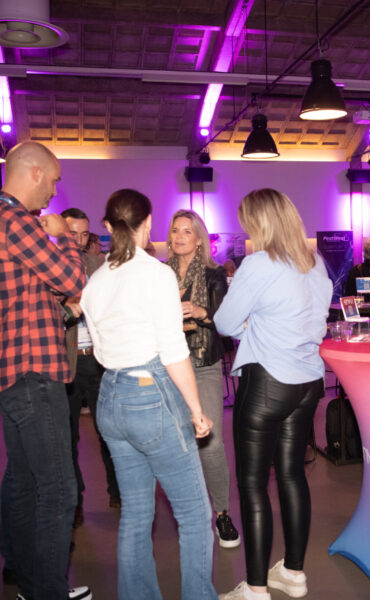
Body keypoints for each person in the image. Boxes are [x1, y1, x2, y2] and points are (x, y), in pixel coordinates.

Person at [80, 189, 217, 600]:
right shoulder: (157, 276)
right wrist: (196, 410)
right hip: (150, 395)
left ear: (108, 226)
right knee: (194, 514)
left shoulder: (96, 280)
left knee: (136, 514)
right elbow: (173, 352)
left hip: (110, 397)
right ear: (149, 223)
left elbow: (99, 346)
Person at [214, 188, 332, 600]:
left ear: (260, 222)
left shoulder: (259, 263)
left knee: (252, 486)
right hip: (308, 383)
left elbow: (225, 322)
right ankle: (294, 573)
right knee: (292, 475)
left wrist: (252, 325)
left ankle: (256, 588)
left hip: (268, 383)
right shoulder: (315, 262)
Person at [0, 141, 90, 600]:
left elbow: (30, 295)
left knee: (23, 480)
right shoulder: (16, 221)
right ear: (34, 172)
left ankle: (25, 577)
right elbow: (73, 280)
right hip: (35, 373)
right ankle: (47, 592)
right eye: (53, 180)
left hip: (13, 374)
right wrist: (65, 237)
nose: (54, 191)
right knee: (58, 489)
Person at [166, 209, 240, 548]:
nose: (179, 236)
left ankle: (222, 513)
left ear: (199, 239)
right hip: (168, 365)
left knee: (210, 442)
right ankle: (190, 514)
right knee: (176, 444)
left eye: (187, 231)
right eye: (175, 230)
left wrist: (200, 312)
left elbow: (224, 320)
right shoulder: (160, 274)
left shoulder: (213, 274)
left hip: (204, 362)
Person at [61, 207, 120, 528]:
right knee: (67, 437)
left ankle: (118, 492)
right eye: (73, 234)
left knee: (108, 431)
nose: (79, 240)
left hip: (97, 361)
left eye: (84, 234)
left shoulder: (99, 266)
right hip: (65, 361)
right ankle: (75, 502)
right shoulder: (51, 268)